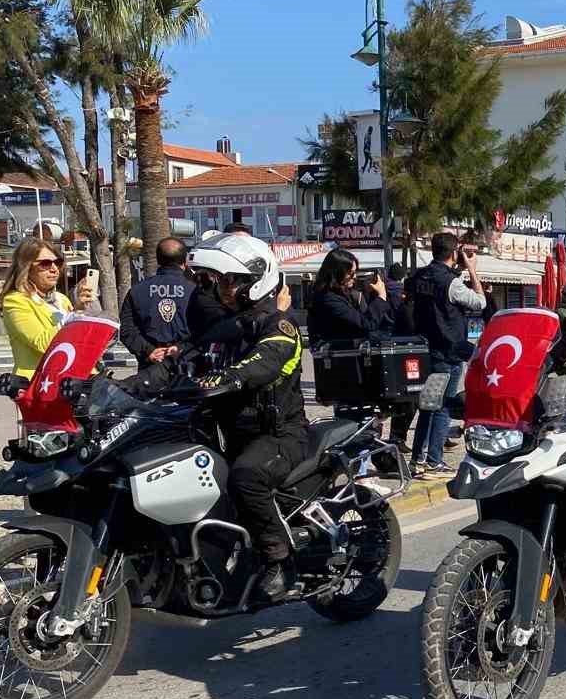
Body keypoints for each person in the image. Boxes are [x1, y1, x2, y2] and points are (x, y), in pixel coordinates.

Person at [183, 231, 309, 598]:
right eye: (220, 280)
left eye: (231, 281)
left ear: (256, 281)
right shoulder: (225, 327)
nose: (223, 288)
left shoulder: (279, 326)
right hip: (233, 434)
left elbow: (264, 362)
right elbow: (181, 361)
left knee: (246, 476)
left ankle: (278, 559)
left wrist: (230, 376)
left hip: (281, 435)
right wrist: (123, 388)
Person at [406, 230, 486, 478]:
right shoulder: (451, 283)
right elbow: (480, 302)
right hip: (448, 352)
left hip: (424, 350)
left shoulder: (419, 276)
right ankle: (434, 460)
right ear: (454, 253)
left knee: (427, 406)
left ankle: (418, 458)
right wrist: (471, 270)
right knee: (442, 408)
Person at [0, 237, 94, 382]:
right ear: (27, 266)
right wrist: (74, 314)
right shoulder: (15, 301)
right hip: (39, 384)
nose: (54, 269)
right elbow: (42, 342)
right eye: (45, 263)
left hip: (72, 381)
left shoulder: (62, 299)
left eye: (58, 262)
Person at [119, 236, 192, 367]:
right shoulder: (195, 291)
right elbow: (206, 327)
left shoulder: (137, 291)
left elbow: (126, 329)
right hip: (187, 366)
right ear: (184, 261)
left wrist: (148, 350)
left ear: (158, 260)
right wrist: (182, 348)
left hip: (149, 369)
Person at [307, 247, 395, 346]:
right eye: (350, 272)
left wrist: (372, 294)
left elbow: (364, 319)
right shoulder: (327, 298)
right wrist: (381, 296)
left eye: (355, 272)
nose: (354, 276)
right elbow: (366, 324)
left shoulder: (338, 294)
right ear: (336, 272)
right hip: (339, 358)